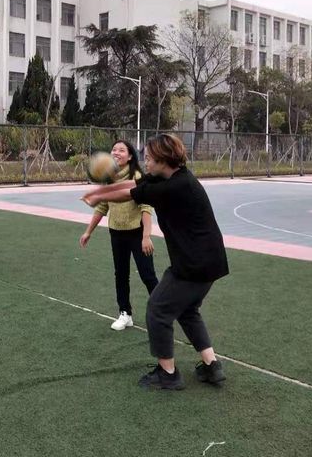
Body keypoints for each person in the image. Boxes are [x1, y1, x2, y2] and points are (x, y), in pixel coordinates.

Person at [82, 134, 228, 391]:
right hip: (209, 261)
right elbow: (133, 184)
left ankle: (167, 373)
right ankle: (211, 365)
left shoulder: (174, 187)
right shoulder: (172, 177)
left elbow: (130, 194)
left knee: (158, 310)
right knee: (187, 310)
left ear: (163, 159)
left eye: (149, 158)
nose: (145, 161)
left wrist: (98, 195)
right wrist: (100, 191)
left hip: (194, 264)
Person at [80, 140, 158, 331]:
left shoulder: (137, 177)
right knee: (121, 274)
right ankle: (125, 313)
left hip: (137, 233)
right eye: (114, 150)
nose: (116, 153)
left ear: (130, 156)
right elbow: (102, 207)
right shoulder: (109, 179)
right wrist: (88, 231)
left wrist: (146, 236)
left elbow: (146, 207)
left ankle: (162, 311)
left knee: (147, 275)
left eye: (121, 150)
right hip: (116, 233)